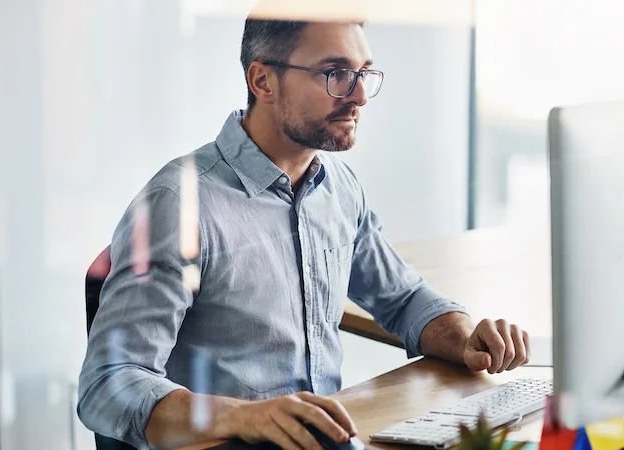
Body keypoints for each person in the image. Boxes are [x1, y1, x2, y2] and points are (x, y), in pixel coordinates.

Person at [78, 15, 531, 450]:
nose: (359, 96)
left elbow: (403, 299)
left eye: (363, 73)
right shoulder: (178, 205)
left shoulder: (337, 187)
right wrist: (243, 416)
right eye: (336, 73)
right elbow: (108, 385)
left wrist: (465, 339)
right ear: (263, 82)